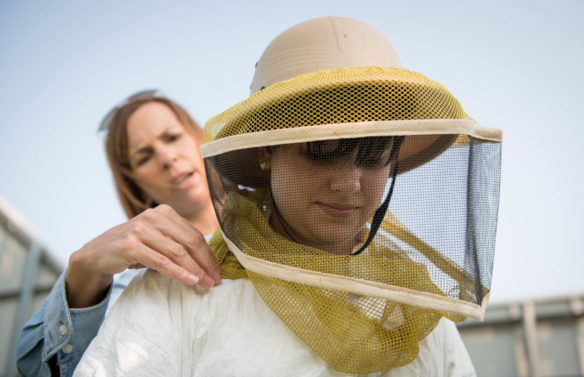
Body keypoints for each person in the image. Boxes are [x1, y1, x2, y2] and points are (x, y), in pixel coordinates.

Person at [74, 16, 502, 376]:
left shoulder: (419, 315)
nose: (348, 184)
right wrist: (81, 276)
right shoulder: (179, 292)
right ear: (266, 151)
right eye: (322, 152)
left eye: (372, 157)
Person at [16, 91, 222, 377]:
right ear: (135, 186)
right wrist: (83, 269)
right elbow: (30, 366)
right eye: (144, 157)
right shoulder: (128, 285)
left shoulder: (286, 222)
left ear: (200, 137)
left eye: (172, 137)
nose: (166, 157)